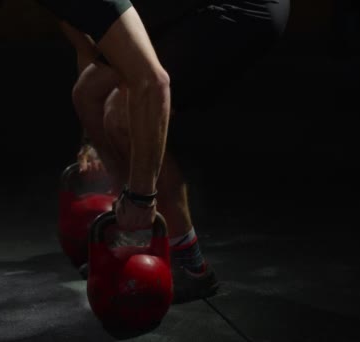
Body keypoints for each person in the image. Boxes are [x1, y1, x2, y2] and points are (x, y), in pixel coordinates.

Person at [35, 0, 290, 303]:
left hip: (238, 7)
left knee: (123, 113)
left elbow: (153, 82)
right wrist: (92, 143)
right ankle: (134, 228)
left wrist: (141, 198)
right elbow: (90, 50)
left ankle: (190, 264)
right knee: (87, 93)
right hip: (180, 12)